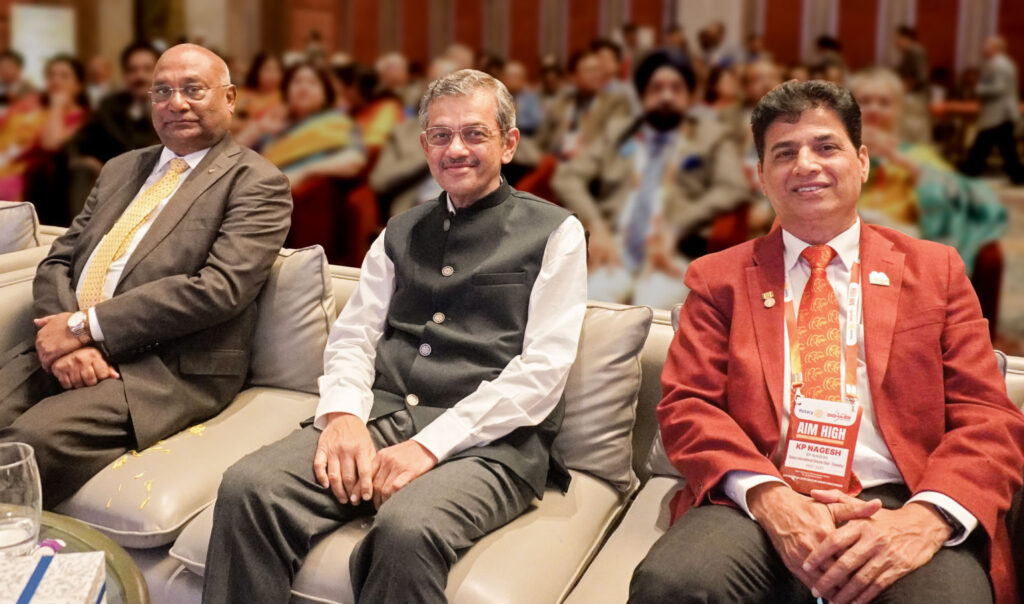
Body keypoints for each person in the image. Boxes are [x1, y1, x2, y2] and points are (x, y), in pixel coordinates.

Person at [629, 79, 1024, 604]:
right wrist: (769, 498)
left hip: (901, 498)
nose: (806, 165)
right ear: (762, 176)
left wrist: (926, 518)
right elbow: (687, 406)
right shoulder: (718, 279)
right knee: (672, 586)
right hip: (762, 498)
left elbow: (988, 417)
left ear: (862, 162)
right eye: (784, 152)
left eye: (826, 146)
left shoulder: (936, 271)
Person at [202, 68, 587, 603]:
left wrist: (428, 446)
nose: (456, 149)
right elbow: (354, 336)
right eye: (441, 135)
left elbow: (543, 372)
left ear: (508, 144)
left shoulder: (556, 232)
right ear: (425, 147)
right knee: (250, 488)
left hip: (492, 443)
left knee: (407, 530)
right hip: (383, 416)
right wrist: (343, 416)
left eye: (474, 134)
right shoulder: (399, 230)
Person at [0, 43, 292, 507]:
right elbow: (58, 260)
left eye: (193, 89)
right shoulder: (121, 168)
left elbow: (219, 289)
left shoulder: (257, 182)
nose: (177, 103)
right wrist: (66, 338)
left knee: (25, 447)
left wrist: (84, 327)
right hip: (67, 343)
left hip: (160, 368)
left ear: (230, 98)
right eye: (163, 91)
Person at [552, 49, 746, 308]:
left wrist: (676, 227)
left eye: (676, 88)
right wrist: (595, 224)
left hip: (671, 252)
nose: (666, 96)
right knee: (590, 305)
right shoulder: (618, 132)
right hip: (614, 247)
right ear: (643, 95)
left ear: (689, 97)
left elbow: (733, 186)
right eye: (657, 88)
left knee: (651, 309)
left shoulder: (711, 137)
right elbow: (568, 177)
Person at [851, 67, 1005, 273]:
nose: (874, 109)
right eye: (864, 101)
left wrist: (900, 159)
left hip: (902, 250)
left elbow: (961, 199)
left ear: (899, 110)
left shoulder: (918, 155)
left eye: (884, 103)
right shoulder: (833, 153)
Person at [68, 41, 162, 216]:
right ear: (125, 76)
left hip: (158, 180)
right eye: (133, 70)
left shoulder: (174, 106)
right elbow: (76, 142)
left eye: (147, 69)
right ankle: (81, 232)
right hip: (112, 180)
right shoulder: (109, 107)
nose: (140, 76)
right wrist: (85, 162)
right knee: (81, 173)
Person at [0, 54, 90, 224]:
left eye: (64, 76)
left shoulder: (80, 117)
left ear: (78, 85)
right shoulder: (31, 103)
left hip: (28, 175)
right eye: (51, 75)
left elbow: (51, 144)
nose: (56, 80)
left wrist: (57, 105)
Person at [963, 36, 1024, 183]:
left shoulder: (998, 64)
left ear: (995, 48)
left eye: (986, 45)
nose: (983, 48)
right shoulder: (1003, 63)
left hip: (998, 112)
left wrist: (979, 89)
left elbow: (999, 87)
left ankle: (972, 170)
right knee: (1003, 147)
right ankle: (973, 169)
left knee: (993, 144)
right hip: (1000, 112)